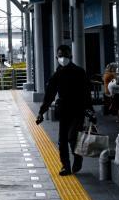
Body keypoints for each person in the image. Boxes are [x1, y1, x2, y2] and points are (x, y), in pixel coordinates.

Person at [35, 44, 94, 176]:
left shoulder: (79, 72)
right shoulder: (57, 74)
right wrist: (41, 112)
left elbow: (86, 93)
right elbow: (49, 95)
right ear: (57, 57)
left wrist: (90, 110)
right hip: (63, 112)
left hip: (78, 110)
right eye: (60, 56)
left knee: (72, 137)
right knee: (62, 140)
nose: (63, 58)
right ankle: (65, 166)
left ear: (71, 56)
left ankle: (77, 158)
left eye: (65, 55)